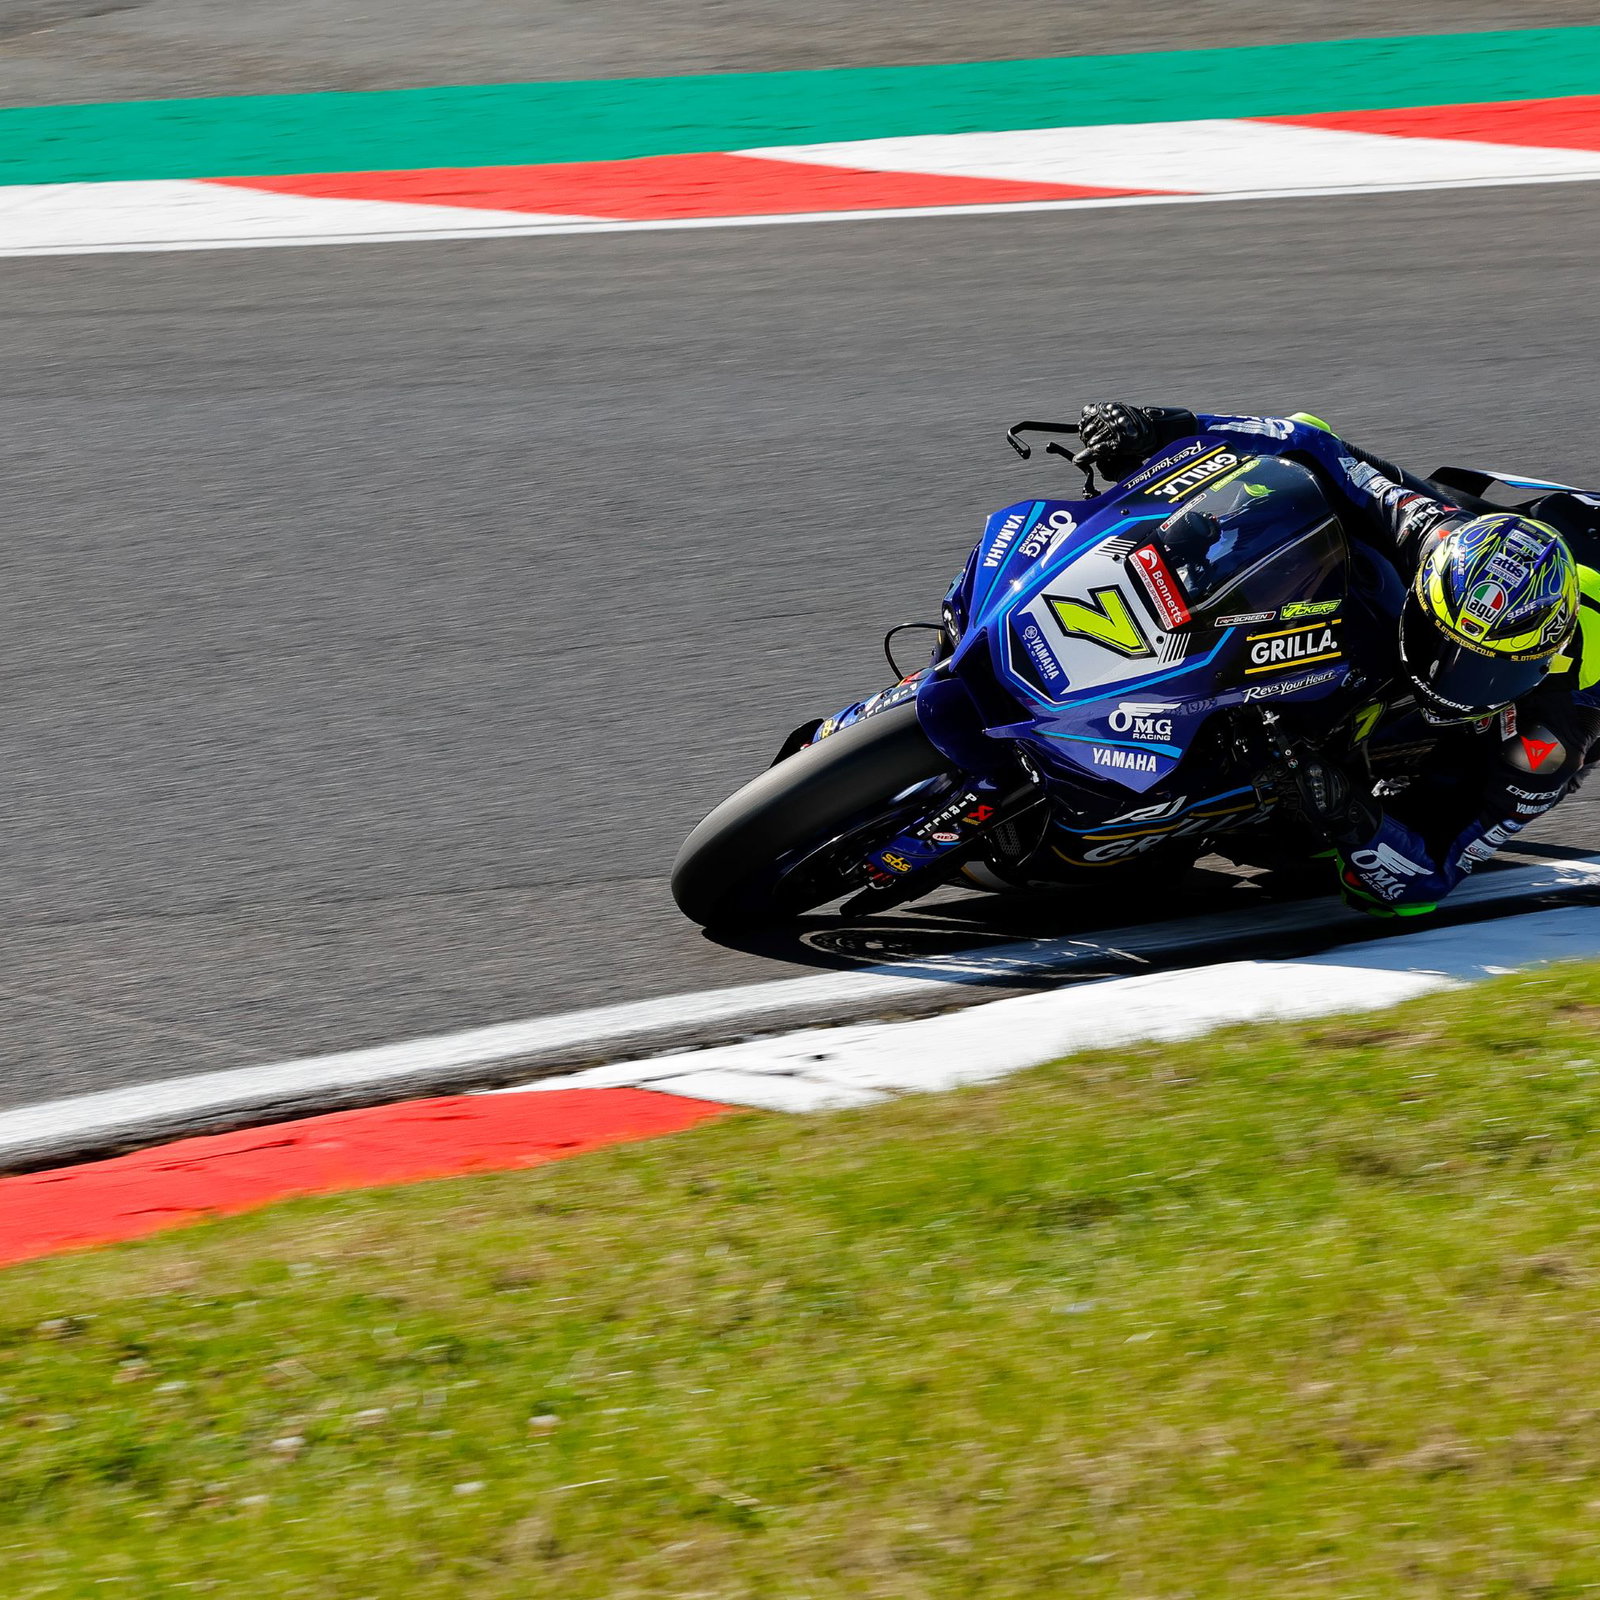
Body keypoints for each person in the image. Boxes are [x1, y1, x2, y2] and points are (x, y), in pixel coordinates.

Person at [1073, 401, 1600, 915]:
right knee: (1310, 502)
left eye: (1484, 669)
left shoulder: (1553, 735)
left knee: (1320, 848)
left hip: (1539, 711)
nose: (1452, 674)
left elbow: (1427, 882)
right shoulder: (1432, 529)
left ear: (1540, 657)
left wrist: (1351, 815)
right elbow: (1308, 440)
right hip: (1538, 534)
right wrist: (1167, 425)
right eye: (1443, 643)